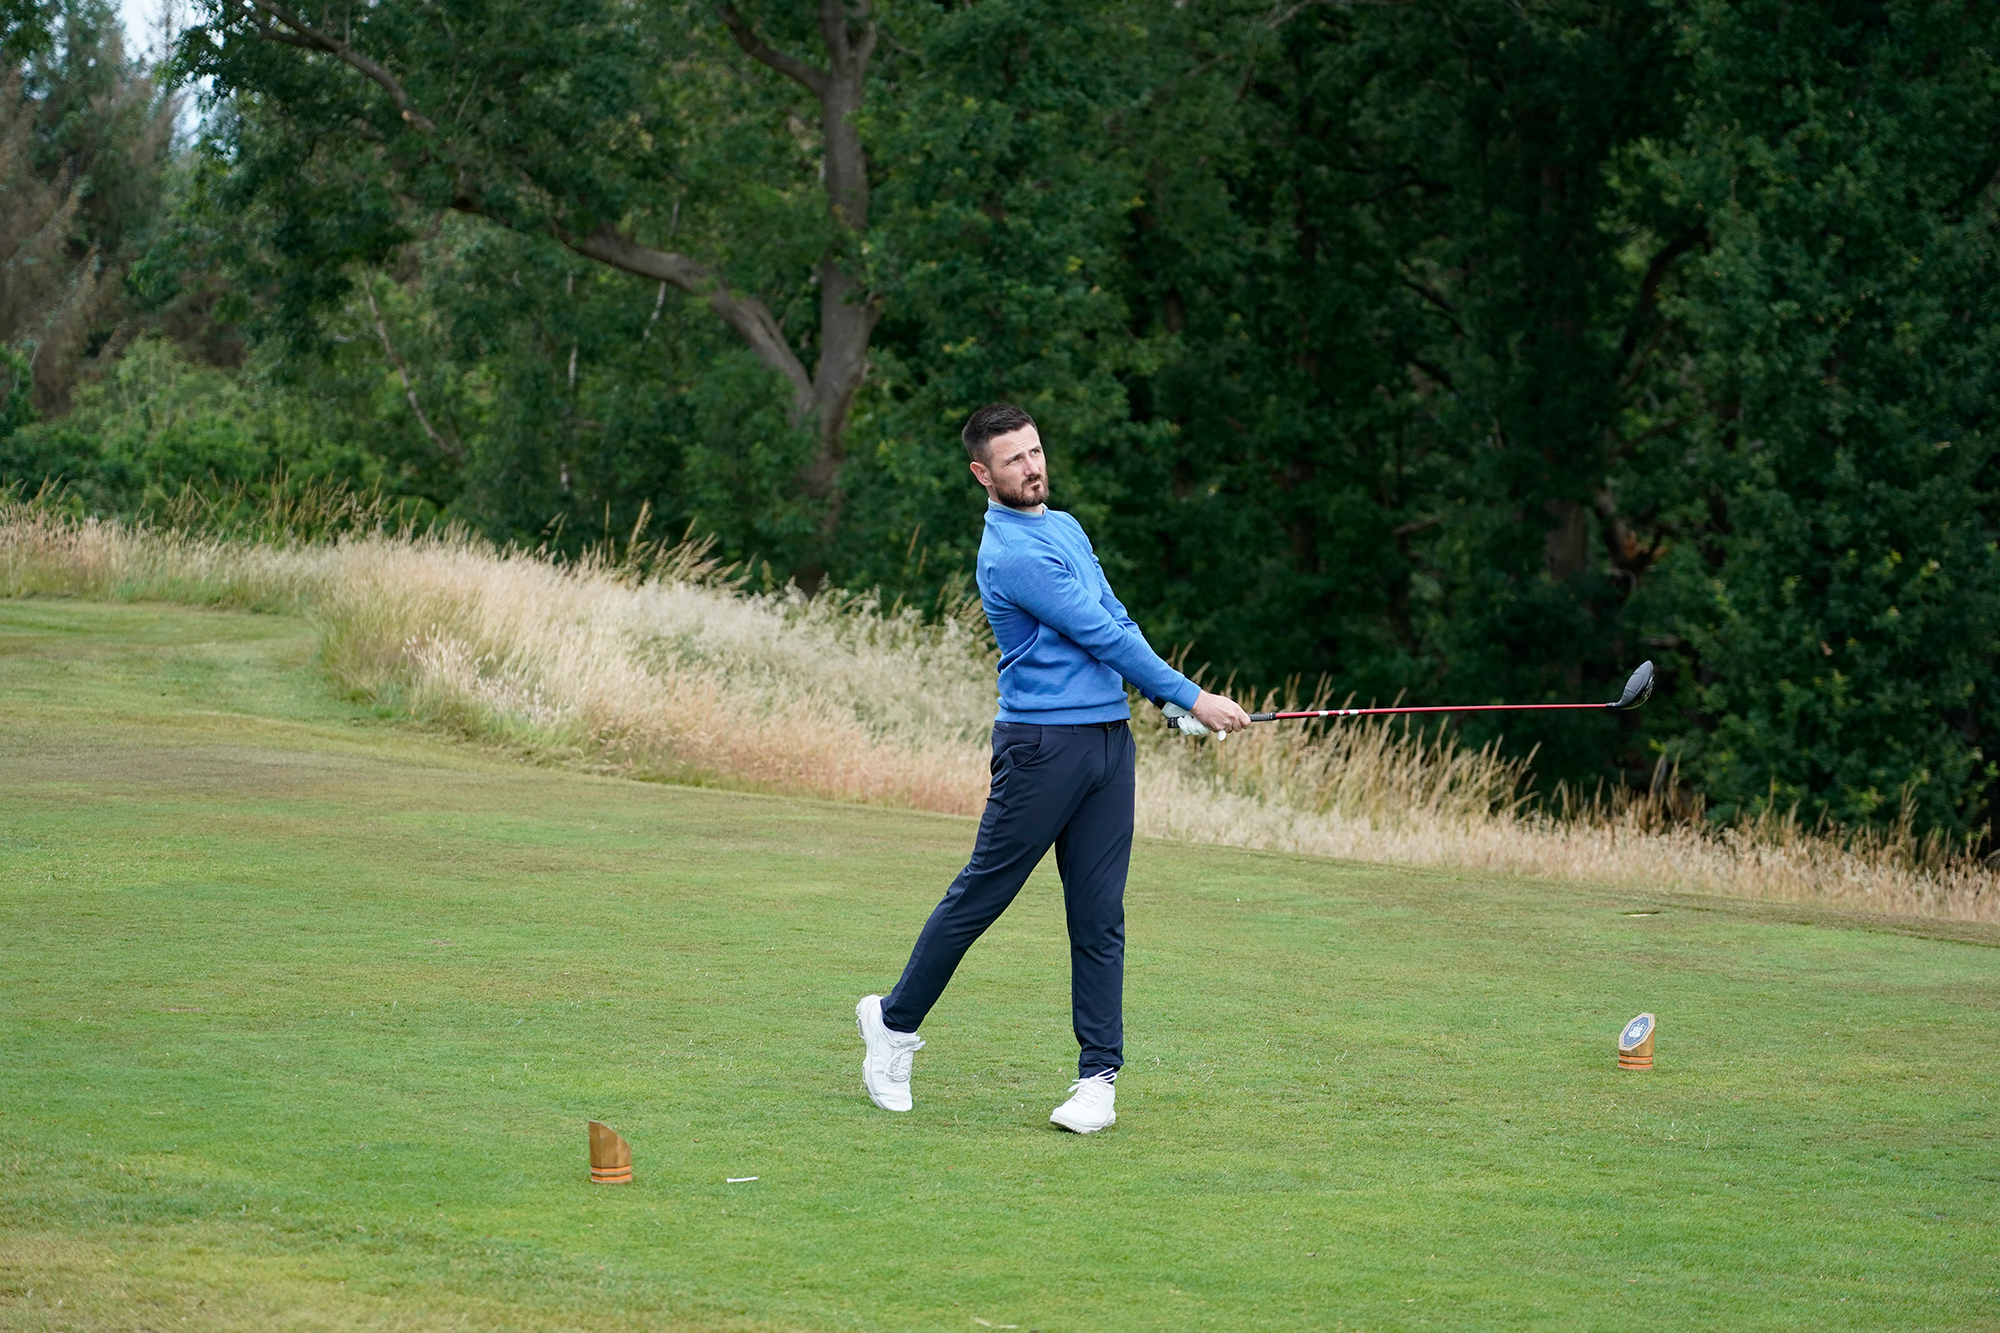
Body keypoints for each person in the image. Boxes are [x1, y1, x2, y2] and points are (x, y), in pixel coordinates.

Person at [855, 404, 1251, 1133]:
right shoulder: (1009, 552)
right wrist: (1190, 692)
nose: (1032, 467)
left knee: (1100, 915)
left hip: (1107, 744)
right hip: (1041, 748)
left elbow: (1116, 616)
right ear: (984, 473)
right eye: (1014, 460)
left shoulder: (1063, 526)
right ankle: (893, 1021)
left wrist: (1167, 705)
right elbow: (1093, 630)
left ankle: (1097, 1078)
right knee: (984, 894)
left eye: (1035, 452)